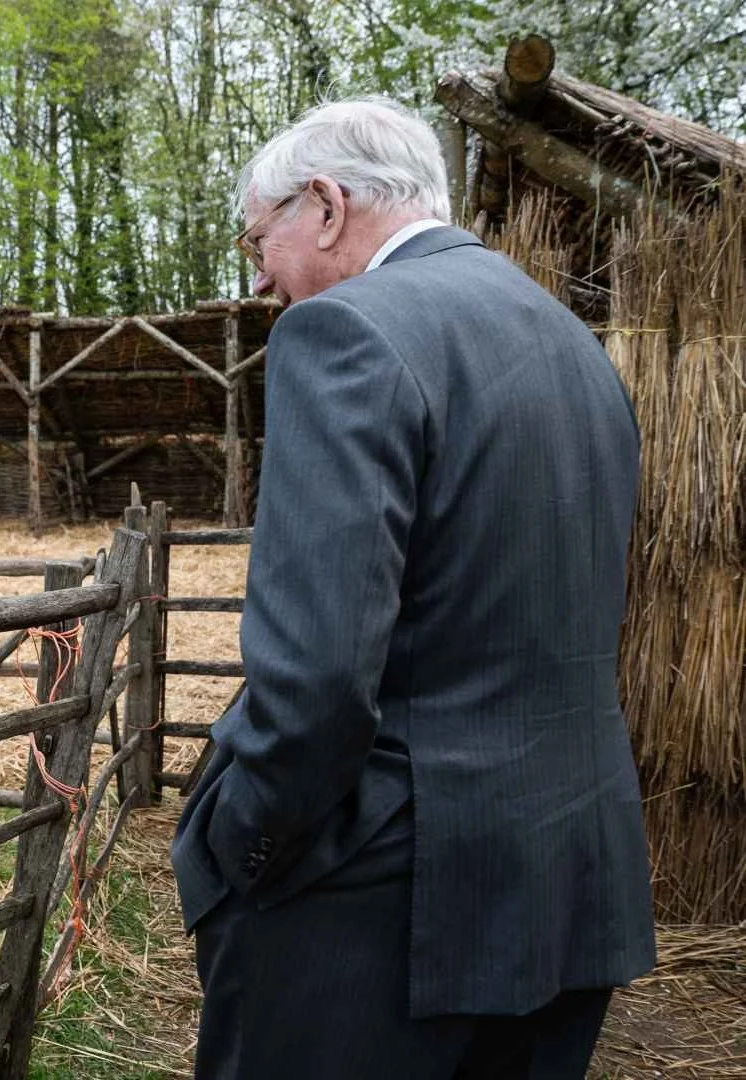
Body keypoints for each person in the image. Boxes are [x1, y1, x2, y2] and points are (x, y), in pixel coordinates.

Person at [170, 99, 656, 1079]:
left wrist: (241, 851)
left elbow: (314, 679)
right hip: (573, 879)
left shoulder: (345, 332)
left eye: (260, 237)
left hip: (383, 914)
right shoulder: (575, 345)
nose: (259, 274)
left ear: (327, 204)